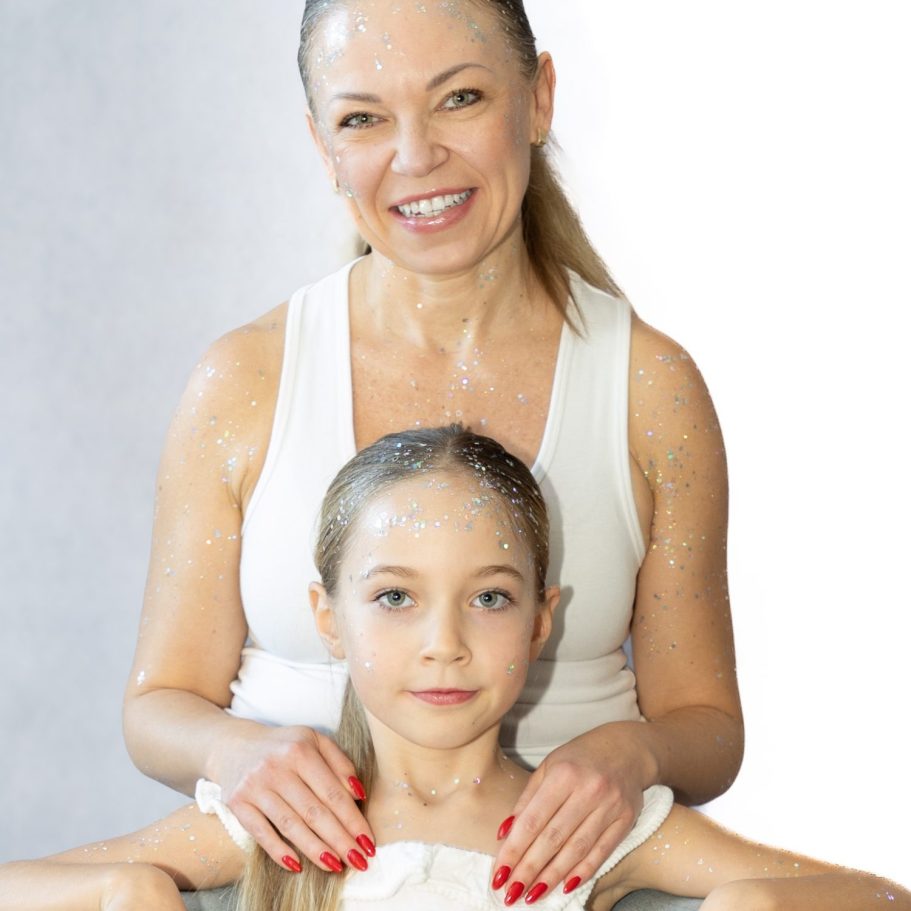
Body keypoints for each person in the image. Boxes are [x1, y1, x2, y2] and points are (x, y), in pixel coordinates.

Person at [121, 2, 741, 907]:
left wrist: (632, 751)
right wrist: (232, 751)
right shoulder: (244, 380)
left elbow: (708, 725)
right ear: (320, 142)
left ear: (538, 100)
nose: (414, 158)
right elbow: (157, 704)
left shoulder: (649, 388)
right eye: (363, 118)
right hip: (279, 885)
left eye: (459, 99)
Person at [2, 426, 907, 911]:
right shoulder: (282, 820)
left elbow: (884, 899)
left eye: (490, 598)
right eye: (395, 596)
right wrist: (127, 889)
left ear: (544, 620)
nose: (445, 642)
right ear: (327, 617)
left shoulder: (584, 830)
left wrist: (753, 905)